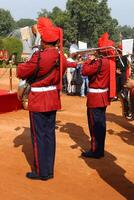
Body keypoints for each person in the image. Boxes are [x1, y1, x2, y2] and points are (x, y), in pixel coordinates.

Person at [17, 17, 77, 180]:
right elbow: (64, 69)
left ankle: (41, 172)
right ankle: (49, 169)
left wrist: (22, 64)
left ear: (44, 41)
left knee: (39, 136)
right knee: (49, 135)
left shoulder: (39, 56)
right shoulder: (60, 56)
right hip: (52, 98)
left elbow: (21, 72)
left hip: (38, 99)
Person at [81, 32, 116, 159]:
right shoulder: (108, 62)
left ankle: (95, 150)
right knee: (101, 124)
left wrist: (88, 61)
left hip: (95, 97)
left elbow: (84, 71)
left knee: (94, 125)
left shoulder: (99, 62)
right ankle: (100, 148)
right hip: (103, 97)